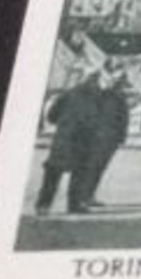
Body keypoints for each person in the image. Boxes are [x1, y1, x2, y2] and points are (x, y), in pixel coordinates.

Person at [35, 70, 113, 215]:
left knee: (53, 172)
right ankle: (74, 205)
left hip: (63, 139)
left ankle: (43, 205)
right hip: (85, 140)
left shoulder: (69, 93)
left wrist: (64, 123)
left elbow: (52, 116)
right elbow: (101, 119)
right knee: (80, 173)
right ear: (95, 80)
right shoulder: (100, 97)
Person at [80, 64, 133, 206]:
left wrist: (121, 136)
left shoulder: (118, 97)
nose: (121, 84)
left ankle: (88, 195)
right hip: (101, 138)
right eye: (118, 81)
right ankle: (84, 196)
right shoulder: (104, 96)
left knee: (99, 168)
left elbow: (123, 118)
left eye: (122, 82)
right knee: (94, 167)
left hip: (111, 139)